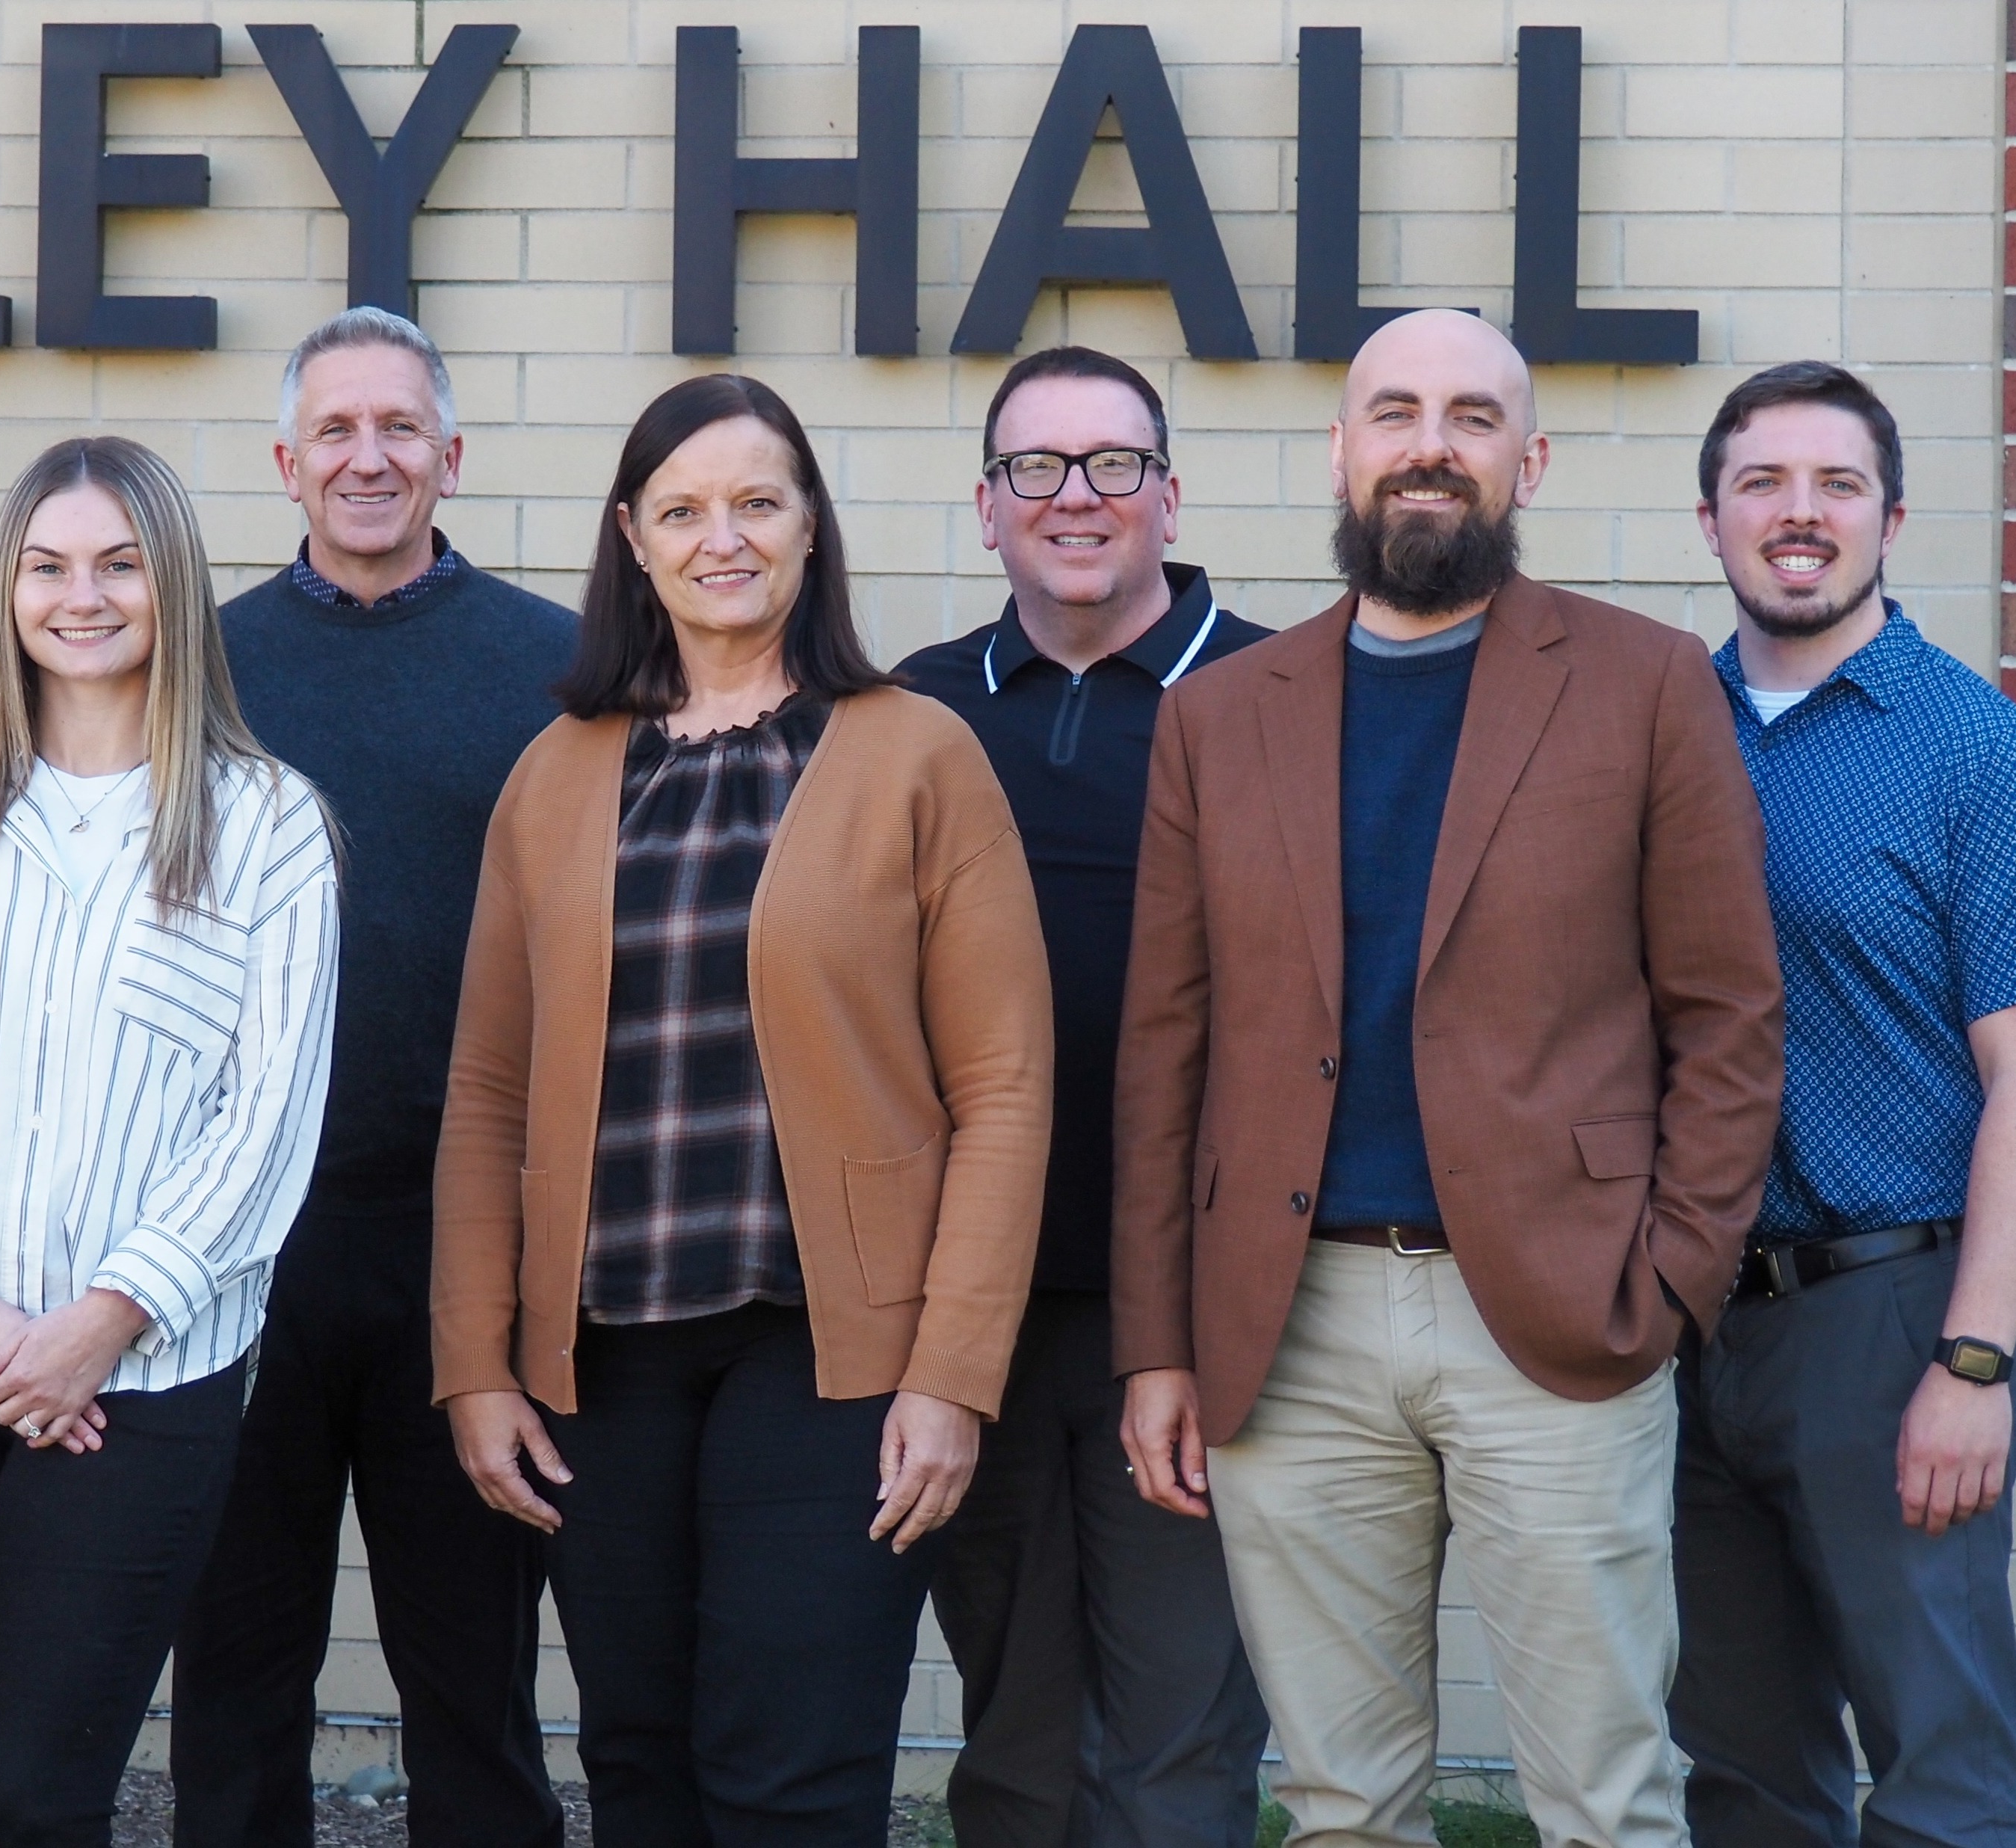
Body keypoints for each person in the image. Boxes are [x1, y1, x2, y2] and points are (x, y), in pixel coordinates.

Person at [1112, 308, 1784, 1848]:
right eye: (1396, 413)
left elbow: (1728, 1014)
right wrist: (1160, 1339)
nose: (1433, 444)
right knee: (1346, 1803)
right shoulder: (1218, 717)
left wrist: (1672, 1277)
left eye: (1473, 417)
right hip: (1290, 1326)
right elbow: (1166, 1050)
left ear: (1526, 460)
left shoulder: (1647, 683)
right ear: (1339, 454)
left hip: (1561, 1307)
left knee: (1608, 1797)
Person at [435, 372, 1055, 1847]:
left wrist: (954, 1373)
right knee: (640, 1768)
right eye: (685, 510)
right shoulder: (558, 774)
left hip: (834, 1365)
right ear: (633, 541)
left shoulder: (916, 753)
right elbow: (488, 1092)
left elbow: (1006, 1081)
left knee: (794, 1782)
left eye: (759, 502)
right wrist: (475, 1360)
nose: (725, 538)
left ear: (811, 530)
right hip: (602, 1364)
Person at [0, 434, 339, 1843]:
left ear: (172, 585)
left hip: (141, 1380)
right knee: (6, 1785)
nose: (81, 596)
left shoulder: (267, 827)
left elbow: (267, 1122)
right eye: (47, 566)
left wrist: (96, 1324)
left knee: (45, 1788)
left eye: (117, 565)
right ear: (7, 591)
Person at [173, 307, 571, 1847]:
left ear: (451, 456)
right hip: (239, 1246)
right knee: (236, 1671)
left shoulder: (553, 664)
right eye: (334, 430)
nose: (368, 455)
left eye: (398, 427)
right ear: (286, 462)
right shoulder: (200, 665)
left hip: (465, 1247)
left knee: (472, 1682)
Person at [1670, 361, 2016, 1848]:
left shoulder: (1984, 756)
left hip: (1890, 1313)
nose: (1798, 514)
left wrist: (1973, 1359)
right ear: (1708, 517)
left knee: (1944, 1777)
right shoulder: (1654, 731)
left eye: (1836, 485)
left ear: (1891, 519)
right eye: (1762, 482)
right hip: (1686, 1324)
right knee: (1743, 1770)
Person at [897, 346, 1269, 1848]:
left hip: (1189, 1304)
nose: (1075, 496)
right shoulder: (914, 716)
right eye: (1036, 467)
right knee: (1013, 1737)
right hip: (971, 1307)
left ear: (1169, 496)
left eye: (1113, 463)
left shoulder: (1272, 694)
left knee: (1175, 1742)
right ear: (986, 508)